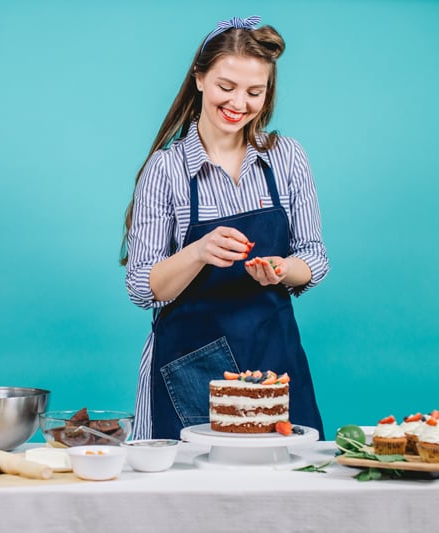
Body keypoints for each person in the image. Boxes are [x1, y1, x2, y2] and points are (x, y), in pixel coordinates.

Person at [122, 16, 330, 440]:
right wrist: (198, 251)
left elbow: (314, 256)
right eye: (226, 86)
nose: (240, 103)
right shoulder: (167, 170)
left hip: (275, 358)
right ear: (199, 78)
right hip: (191, 365)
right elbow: (143, 287)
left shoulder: (286, 158)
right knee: (194, 499)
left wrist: (282, 269)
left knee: (287, 493)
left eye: (255, 92)